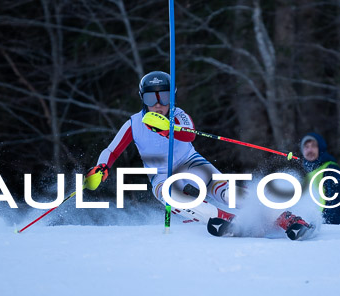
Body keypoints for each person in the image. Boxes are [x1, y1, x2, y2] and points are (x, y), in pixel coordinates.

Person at [86, 71, 312, 239]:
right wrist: (101, 167)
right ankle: (229, 221)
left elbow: (189, 135)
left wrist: (167, 129)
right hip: (162, 175)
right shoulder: (134, 123)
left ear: (172, 97)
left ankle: (287, 219)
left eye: (163, 97)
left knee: (227, 191)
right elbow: (111, 150)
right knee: (173, 197)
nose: (157, 104)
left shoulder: (179, 115)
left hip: (192, 163)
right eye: (150, 99)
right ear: (141, 99)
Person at [300, 132, 340, 225]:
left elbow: (337, 202)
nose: (309, 150)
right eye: (306, 147)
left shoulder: (330, 168)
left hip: (333, 227)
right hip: (312, 228)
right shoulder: (304, 174)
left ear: (321, 148)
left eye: (313, 146)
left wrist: (327, 222)